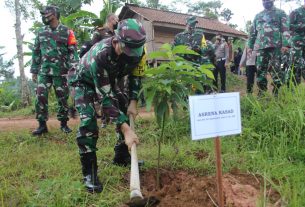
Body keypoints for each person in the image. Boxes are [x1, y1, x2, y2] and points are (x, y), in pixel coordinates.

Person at [71, 18, 146, 193]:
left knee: (123, 107)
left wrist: (133, 101)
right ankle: (89, 173)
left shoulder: (138, 51)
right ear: (115, 40)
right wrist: (127, 131)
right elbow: (105, 99)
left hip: (108, 80)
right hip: (83, 81)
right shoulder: (102, 55)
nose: (131, 56)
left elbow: (136, 75)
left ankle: (122, 156)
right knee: (88, 122)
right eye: (127, 51)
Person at [30, 5, 79, 136]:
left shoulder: (67, 32)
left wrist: (74, 68)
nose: (44, 16)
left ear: (54, 14)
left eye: (46, 14)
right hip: (44, 71)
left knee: (62, 98)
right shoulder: (41, 32)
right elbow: (36, 51)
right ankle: (42, 125)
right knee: (40, 97)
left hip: (61, 71)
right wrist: (34, 71)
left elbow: (73, 52)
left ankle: (64, 124)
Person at [248, 0, 290, 96]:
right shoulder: (258, 16)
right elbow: (253, 33)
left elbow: (285, 29)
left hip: (276, 47)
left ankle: (276, 92)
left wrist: (286, 44)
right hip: (261, 47)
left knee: (277, 70)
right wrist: (250, 46)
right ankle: (261, 93)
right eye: (264, 0)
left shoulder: (280, 13)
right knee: (260, 70)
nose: (266, 2)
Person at [173, 16, 215, 94]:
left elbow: (204, 48)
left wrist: (198, 49)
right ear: (186, 23)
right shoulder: (179, 36)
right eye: (191, 23)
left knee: (199, 88)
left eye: (195, 23)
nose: (193, 26)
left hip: (198, 65)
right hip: (185, 67)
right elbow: (174, 51)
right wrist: (184, 51)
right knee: (186, 90)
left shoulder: (200, 34)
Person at [289, 3, 305, 85]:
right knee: (296, 64)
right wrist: (301, 26)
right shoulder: (296, 12)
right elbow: (288, 25)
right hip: (297, 43)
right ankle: (294, 87)